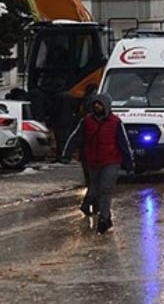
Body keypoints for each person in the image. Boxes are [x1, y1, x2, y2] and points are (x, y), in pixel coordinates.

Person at [62, 94, 134, 233]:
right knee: (94, 187)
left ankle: (104, 218)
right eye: (95, 104)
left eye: (100, 104)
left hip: (111, 161)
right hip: (93, 161)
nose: (97, 107)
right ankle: (90, 207)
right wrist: (67, 153)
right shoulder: (87, 121)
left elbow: (123, 144)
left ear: (106, 106)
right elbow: (76, 137)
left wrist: (129, 164)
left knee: (105, 189)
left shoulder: (115, 122)